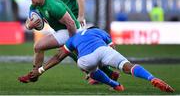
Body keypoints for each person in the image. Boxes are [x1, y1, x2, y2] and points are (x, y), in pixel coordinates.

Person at [42, 0, 119, 84]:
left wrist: (81, 16)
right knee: (70, 49)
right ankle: (102, 72)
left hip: (74, 23)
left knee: (74, 49)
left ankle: (104, 73)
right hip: (64, 26)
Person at [29, 27, 174, 92]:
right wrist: (113, 63)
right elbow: (112, 48)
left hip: (85, 58)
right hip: (103, 50)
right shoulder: (100, 32)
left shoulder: (74, 38)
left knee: (91, 70)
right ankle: (151, 78)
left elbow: (58, 56)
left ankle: (115, 85)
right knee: (127, 65)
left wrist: (41, 70)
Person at [18, 0, 81, 82]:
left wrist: (73, 42)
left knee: (39, 46)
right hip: (61, 30)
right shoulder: (35, 5)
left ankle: (34, 74)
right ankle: (34, 74)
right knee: (79, 57)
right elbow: (28, 21)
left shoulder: (53, 6)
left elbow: (71, 23)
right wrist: (28, 26)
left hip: (71, 30)